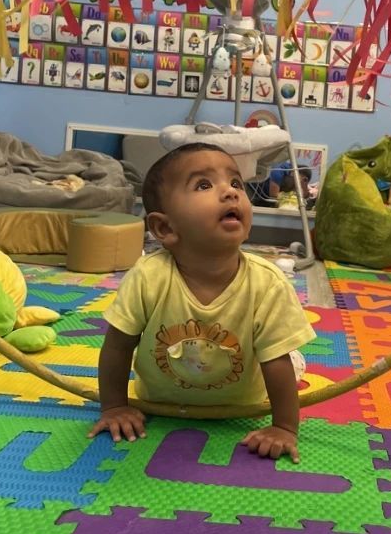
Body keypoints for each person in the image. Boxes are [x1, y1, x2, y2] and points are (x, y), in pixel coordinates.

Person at [88, 142, 316, 462]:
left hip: (246, 396)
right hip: (163, 399)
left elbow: (274, 361)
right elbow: (117, 345)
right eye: (204, 185)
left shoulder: (267, 284)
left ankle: (294, 355)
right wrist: (114, 406)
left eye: (236, 182)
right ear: (165, 227)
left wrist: (284, 427)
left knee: (284, 356)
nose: (230, 192)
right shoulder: (147, 277)